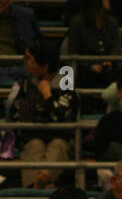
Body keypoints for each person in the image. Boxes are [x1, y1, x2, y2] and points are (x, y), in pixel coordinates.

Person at [6, 38, 78, 188]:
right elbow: (15, 111)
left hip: (59, 136)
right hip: (31, 135)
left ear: (45, 66)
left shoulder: (65, 79)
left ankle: (41, 182)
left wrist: (47, 95)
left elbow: (62, 115)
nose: (25, 62)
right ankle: (37, 185)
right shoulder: (25, 81)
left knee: (58, 146)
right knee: (34, 145)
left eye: (29, 59)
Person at [65, 0, 122, 90]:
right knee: (86, 77)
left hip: (109, 69)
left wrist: (110, 61)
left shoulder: (112, 22)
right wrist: (89, 66)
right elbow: (73, 51)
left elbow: (116, 46)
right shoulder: (77, 23)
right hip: (85, 70)